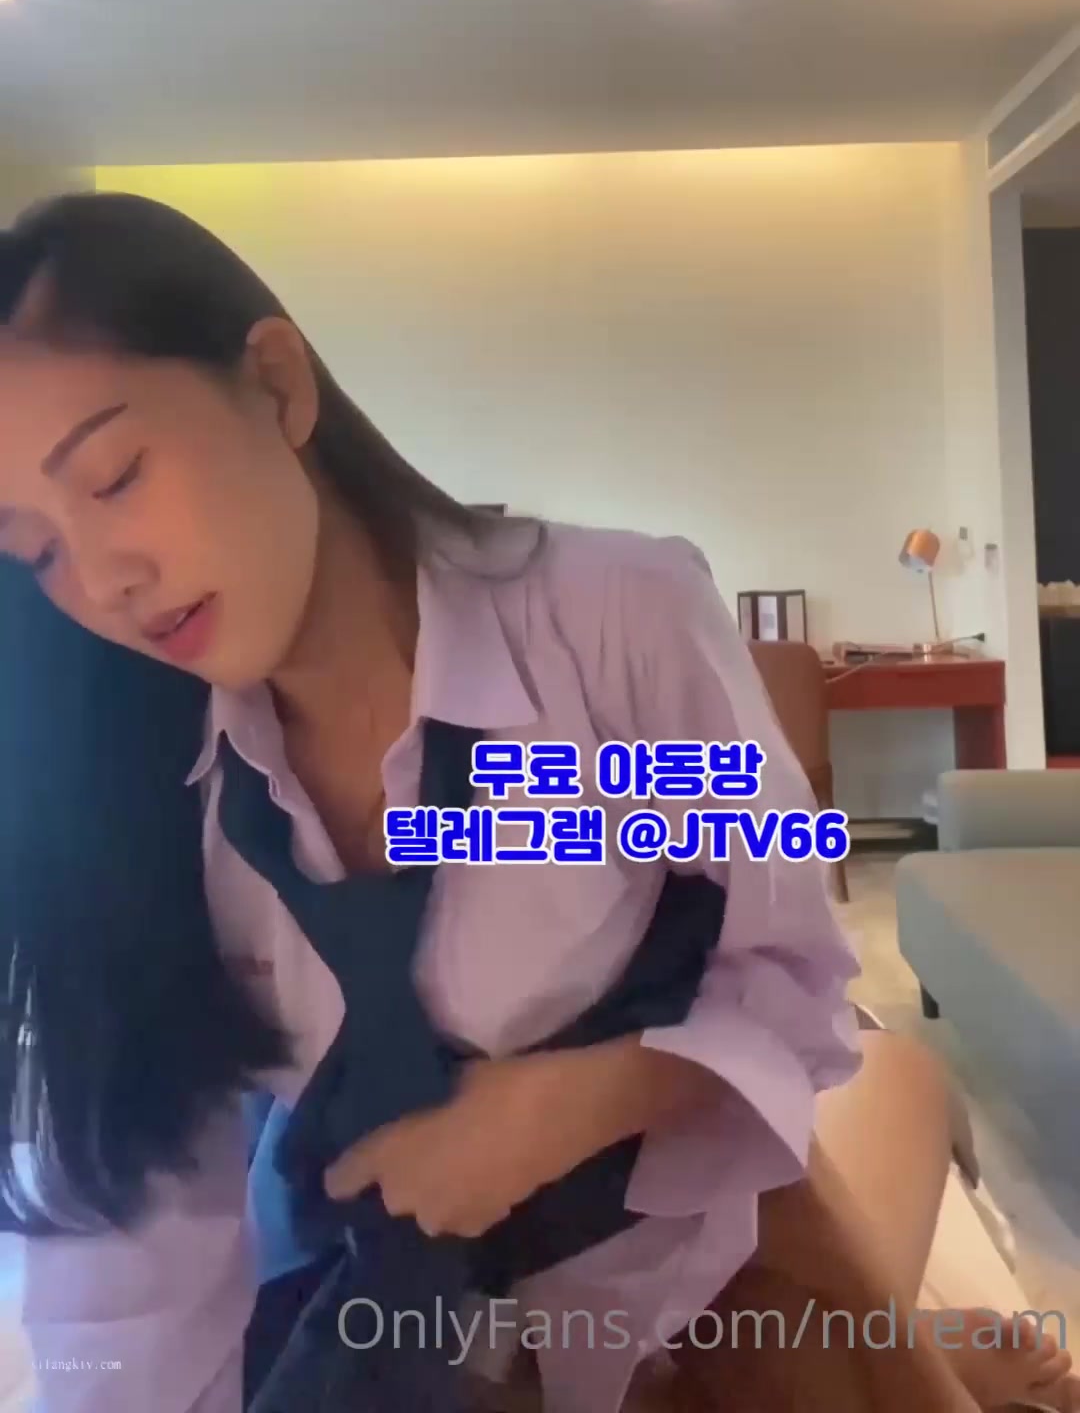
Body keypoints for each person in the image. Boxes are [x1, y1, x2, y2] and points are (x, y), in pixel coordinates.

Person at [0, 190, 1051, 1413]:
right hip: (389, 1307)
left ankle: (920, 1331)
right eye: (35, 551)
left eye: (116, 476)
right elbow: (122, 1229)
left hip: (687, 1261)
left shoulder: (605, 633)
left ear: (278, 386)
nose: (104, 581)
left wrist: (579, 1101)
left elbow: (790, 972)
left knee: (889, 1080)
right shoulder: (136, 790)